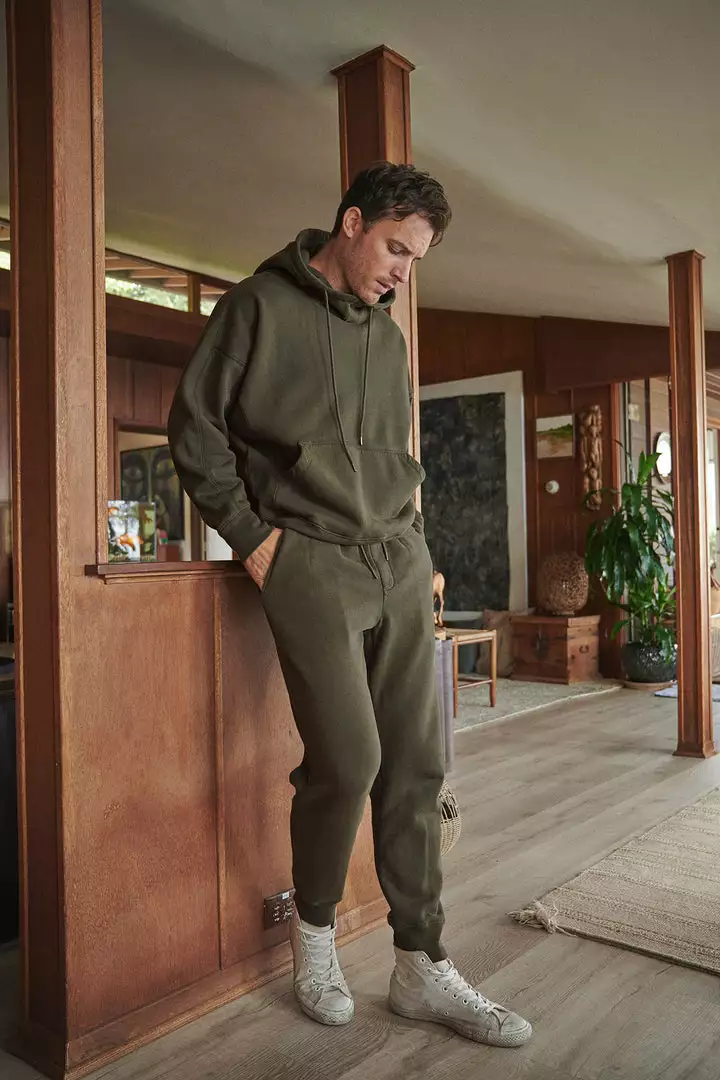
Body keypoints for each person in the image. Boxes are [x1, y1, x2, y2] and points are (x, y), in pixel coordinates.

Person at [168, 163, 532, 1048]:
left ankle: (420, 963)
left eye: (417, 259)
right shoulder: (256, 307)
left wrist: (413, 538)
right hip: (308, 562)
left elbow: (389, 450)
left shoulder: (387, 337)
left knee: (418, 763)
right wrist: (252, 537)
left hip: (397, 559)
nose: (403, 271)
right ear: (352, 221)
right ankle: (317, 934)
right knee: (349, 756)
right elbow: (196, 429)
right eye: (396, 249)